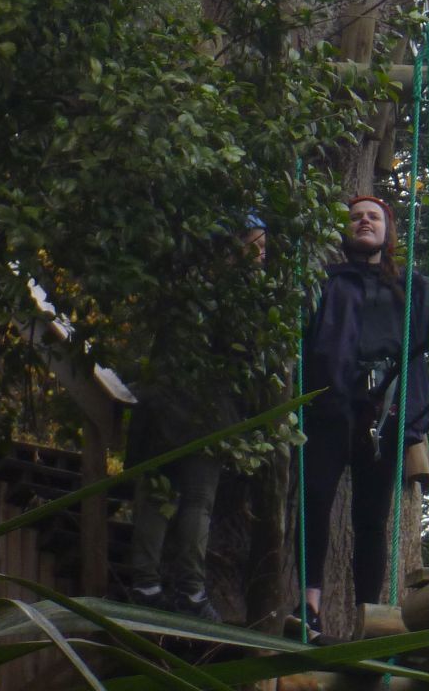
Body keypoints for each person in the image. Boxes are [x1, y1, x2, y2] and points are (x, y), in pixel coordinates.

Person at [295, 193, 429, 638]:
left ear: (389, 230)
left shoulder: (415, 288)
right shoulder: (325, 282)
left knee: (371, 517)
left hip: (385, 410)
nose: (364, 222)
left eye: (373, 217)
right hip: (330, 404)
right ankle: (308, 609)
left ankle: (368, 617)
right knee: (315, 500)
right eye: (356, 218)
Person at [123, 212, 267, 621]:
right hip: (205, 409)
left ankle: (146, 584)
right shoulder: (238, 296)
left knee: (158, 495)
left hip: (163, 403)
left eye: (262, 249)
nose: (258, 257)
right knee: (194, 500)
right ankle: (188, 590)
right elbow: (246, 355)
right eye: (252, 247)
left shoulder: (181, 283)